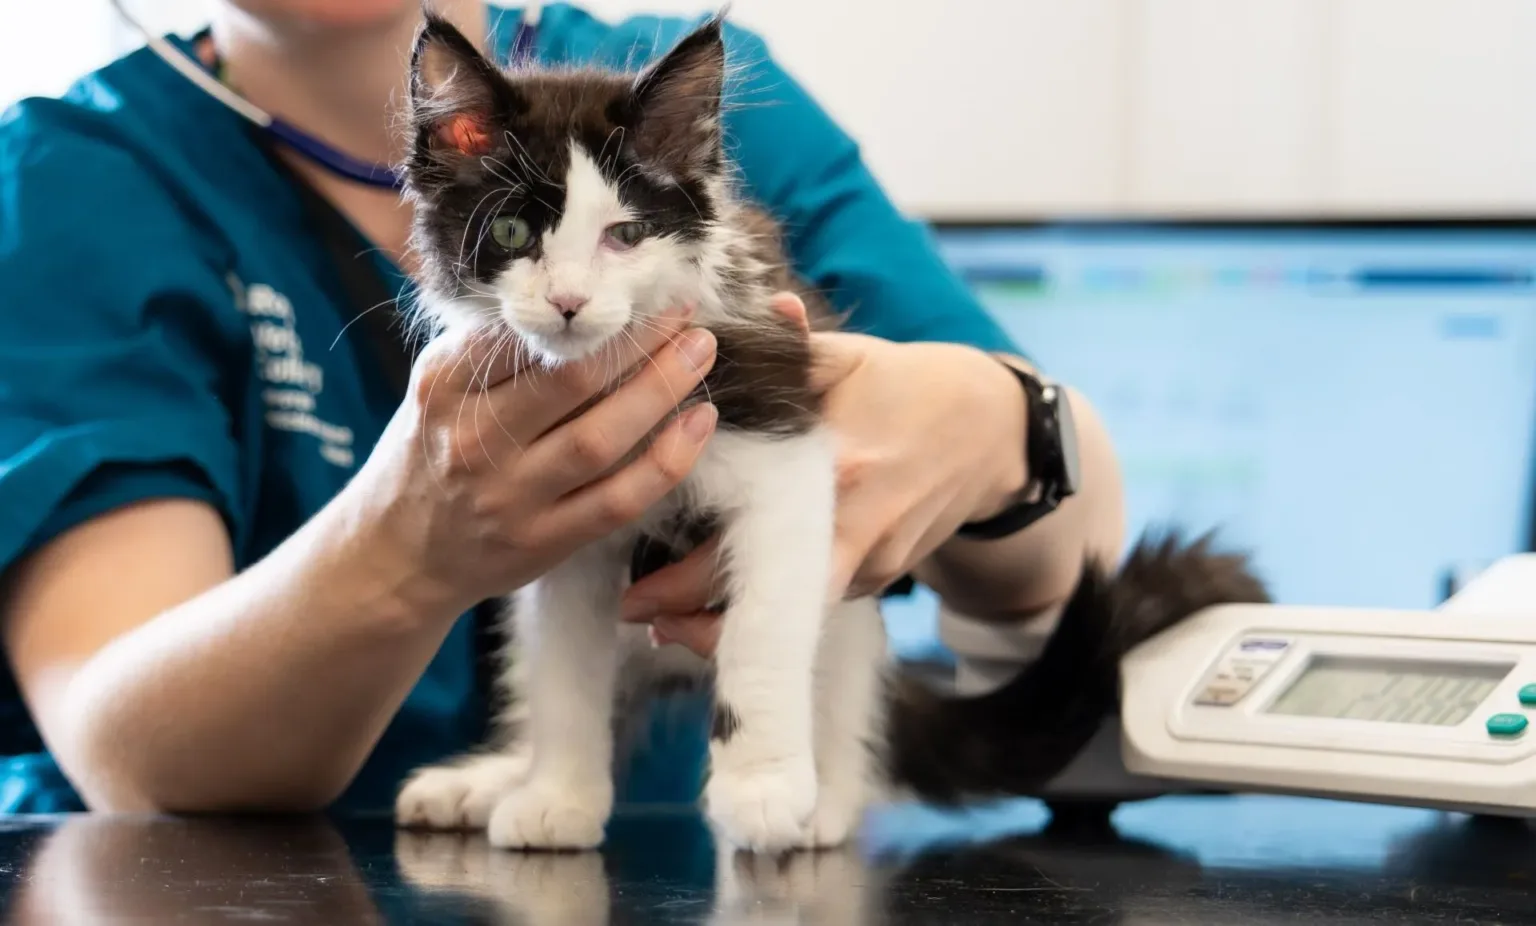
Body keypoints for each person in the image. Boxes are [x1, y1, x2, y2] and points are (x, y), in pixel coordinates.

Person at [0, 0, 1126, 815]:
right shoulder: (79, 181)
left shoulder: (679, 105)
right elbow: (127, 752)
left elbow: (1083, 530)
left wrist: (994, 423)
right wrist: (403, 549)